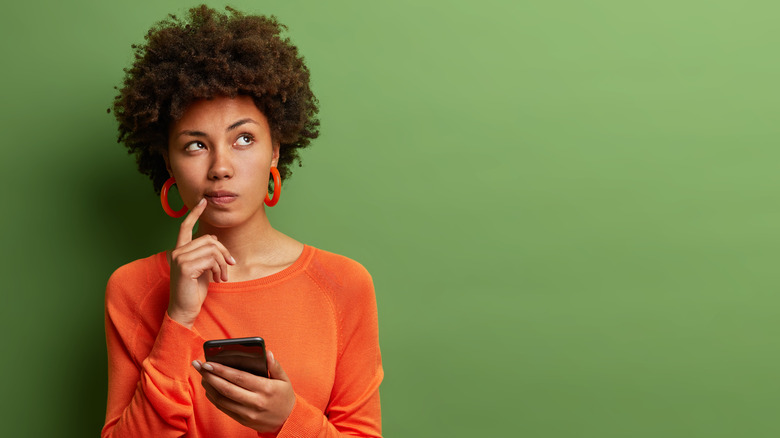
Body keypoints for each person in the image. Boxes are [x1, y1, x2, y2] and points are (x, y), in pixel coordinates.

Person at [102, 5, 383, 437]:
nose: (221, 167)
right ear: (168, 163)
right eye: (196, 145)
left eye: (244, 139)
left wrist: (288, 421)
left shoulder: (344, 284)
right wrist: (178, 317)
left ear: (275, 150)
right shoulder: (133, 289)